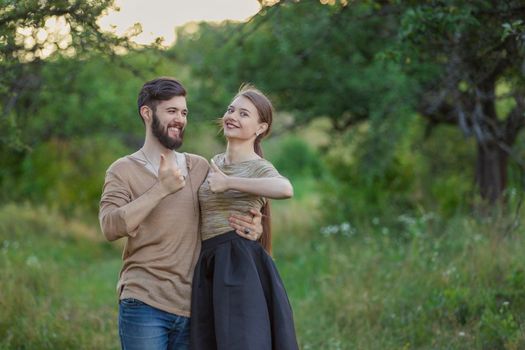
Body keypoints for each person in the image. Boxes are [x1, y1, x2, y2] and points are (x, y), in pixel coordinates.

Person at [99, 77, 263, 350]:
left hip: (194, 305)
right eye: (171, 111)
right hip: (144, 302)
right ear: (147, 113)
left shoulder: (198, 166)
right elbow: (109, 227)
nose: (180, 119)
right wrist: (160, 189)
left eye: (184, 112)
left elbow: (226, 204)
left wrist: (252, 227)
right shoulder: (122, 170)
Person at [190, 85, 300, 350]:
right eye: (230, 110)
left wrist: (229, 183)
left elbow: (285, 188)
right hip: (208, 263)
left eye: (243, 114)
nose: (232, 116)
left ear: (260, 128)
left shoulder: (258, 166)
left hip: (238, 264)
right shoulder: (211, 163)